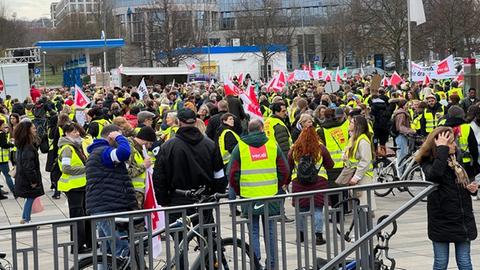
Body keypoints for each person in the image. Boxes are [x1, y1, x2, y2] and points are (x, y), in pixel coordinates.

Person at [227, 119, 289, 269]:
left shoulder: (240, 147)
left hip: (249, 195)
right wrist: (276, 185)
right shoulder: (272, 145)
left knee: (253, 231)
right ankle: (272, 264)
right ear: (262, 129)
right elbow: (284, 170)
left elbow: (232, 173)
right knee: (271, 232)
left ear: (249, 130)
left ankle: (256, 263)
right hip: (270, 194)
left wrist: (241, 190)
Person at [415, 127, 477, 270]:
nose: (455, 145)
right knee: (441, 263)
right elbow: (435, 175)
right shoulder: (427, 161)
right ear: (437, 145)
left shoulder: (456, 160)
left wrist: (470, 189)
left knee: (465, 262)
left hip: (461, 220)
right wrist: (443, 148)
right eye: (450, 143)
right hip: (441, 219)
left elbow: (461, 185)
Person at [153, 108, 226, 221]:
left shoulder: (168, 146)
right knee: (207, 234)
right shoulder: (210, 145)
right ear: (196, 121)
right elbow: (219, 173)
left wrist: (163, 200)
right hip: (203, 197)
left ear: (179, 122)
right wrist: (217, 194)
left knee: (180, 236)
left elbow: (159, 176)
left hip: (179, 198)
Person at [85, 124, 137, 256]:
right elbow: (124, 153)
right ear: (111, 137)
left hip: (104, 207)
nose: (121, 140)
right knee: (122, 250)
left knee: (107, 251)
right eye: (118, 137)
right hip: (109, 208)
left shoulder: (99, 151)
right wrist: (120, 137)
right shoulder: (104, 151)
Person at [288, 126, 333, 245]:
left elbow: (289, 166)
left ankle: (301, 236)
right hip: (318, 182)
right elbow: (330, 164)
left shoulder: (294, 149)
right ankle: (318, 236)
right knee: (318, 209)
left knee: (301, 210)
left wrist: (286, 182)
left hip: (299, 183)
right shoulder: (320, 148)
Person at [57, 122, 92, 253]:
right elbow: (66, 168)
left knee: (84, 215)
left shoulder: (76, 146)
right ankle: (77, 246)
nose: (77, 133)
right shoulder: (67, 148)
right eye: (74, 132)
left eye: (77, 131)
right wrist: (86, 168)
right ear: (66, 133)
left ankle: (88, 243)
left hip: (81, 185)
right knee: (77, 217)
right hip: (73, 187)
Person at [13, 119, 44, 224]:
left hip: (23, 177)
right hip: (27, 179)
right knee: (31, 197)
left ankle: (25, 217)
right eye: (33, 128)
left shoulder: (23, 144)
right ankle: (26, 219)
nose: (35, 130)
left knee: (30, 197)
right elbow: (29, 167)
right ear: (27, 130)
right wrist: (33, 181)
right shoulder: (27, 147)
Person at [342, 115, 376, 211]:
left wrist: (356, 177)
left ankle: (366, 223)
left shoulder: (363, 140)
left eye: (352, 122)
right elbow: (348, 152)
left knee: (364, 203)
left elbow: (365, 160)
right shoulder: (353, 138)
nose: (349, 124)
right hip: (355, 174)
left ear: (357, 126)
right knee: (359, 203)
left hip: (363, 176)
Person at [126, 126, 156, 208]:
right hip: (130, 193)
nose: (149, 147)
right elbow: (125, 172)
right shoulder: (129, 149)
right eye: (150, 143)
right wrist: (144, 166)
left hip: (138, 193)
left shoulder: (139, 150)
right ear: (144, 140)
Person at [392, 99, 416, 169]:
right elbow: (400, 127)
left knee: (402, 154)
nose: (408, 106)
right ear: (403, 105)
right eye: (407, 104)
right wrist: (411, 131)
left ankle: (401, 171)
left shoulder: (402, 112)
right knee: (402, 155)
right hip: (401, 136)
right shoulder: (401, 114)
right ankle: (400, 173)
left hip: (402, 136)